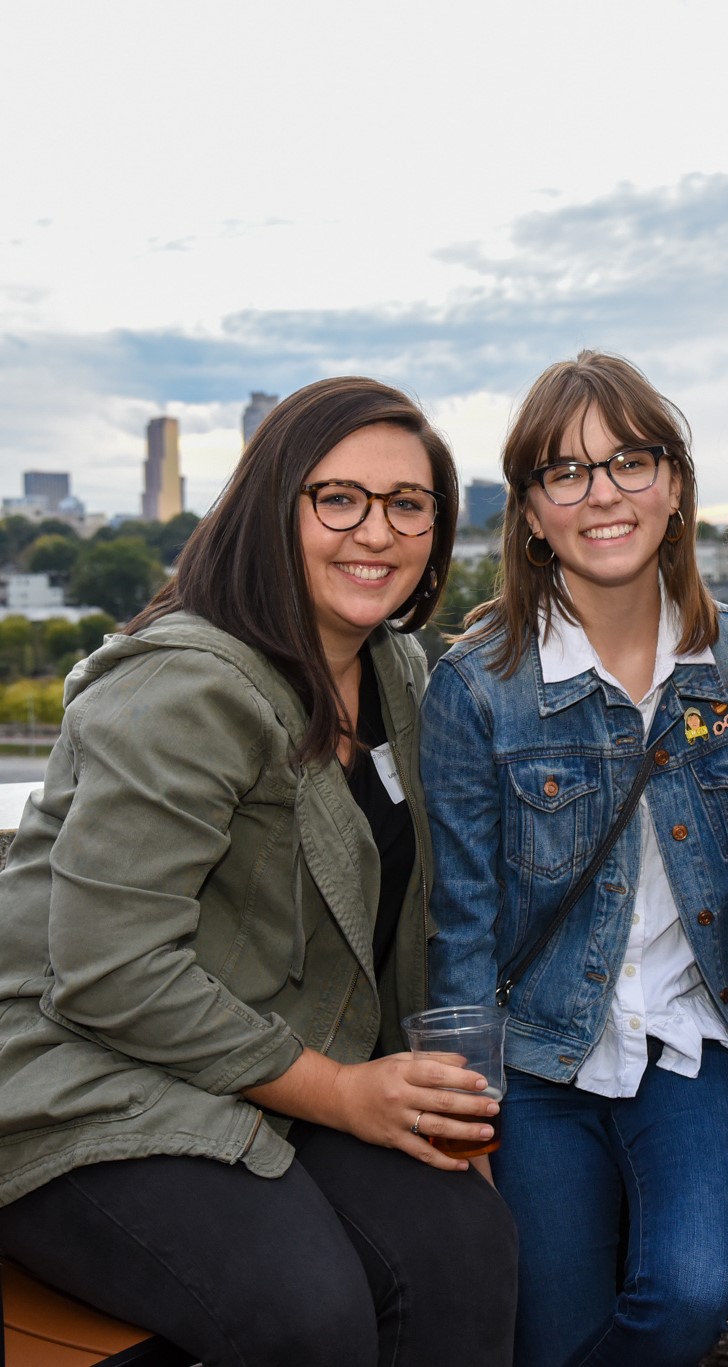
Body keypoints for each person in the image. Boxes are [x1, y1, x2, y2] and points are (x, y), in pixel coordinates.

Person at [0, 377, 518, 1367]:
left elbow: (413, 913)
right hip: (84, 1078)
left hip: (271, 1064)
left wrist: (436, 1096)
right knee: (305, 1311)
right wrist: (351, 1095)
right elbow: (108, 970)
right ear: (273, 507)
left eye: (408, 503)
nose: (376, 530)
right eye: (338, 497)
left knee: (465, 1245)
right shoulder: (188, 686)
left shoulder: (401, 675)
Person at [420, 351, 728, 1367]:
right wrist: (466, 1117)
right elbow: (462, 923)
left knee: (689, 1295)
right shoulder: (479, 688)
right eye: (565, 471)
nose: (603, 492)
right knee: (557, 1335)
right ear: (532, 511)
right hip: (537, 1061)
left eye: (630, 460)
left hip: (694, 1042)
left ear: (674, 484)